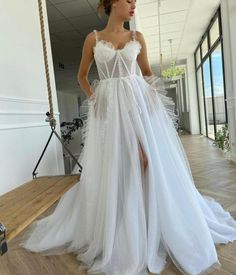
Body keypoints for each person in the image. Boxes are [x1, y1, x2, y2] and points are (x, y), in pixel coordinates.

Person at [20, 0, 236, 274]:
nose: (133, 5)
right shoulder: (93, 38)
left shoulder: (137, 37)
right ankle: (120, 223)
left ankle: (151, 222)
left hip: (138, 107)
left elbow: (146, 74)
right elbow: (82, 76)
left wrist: (154, 108)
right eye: (128, 0)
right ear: (111, 3)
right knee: (118, 165)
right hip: (111, 112)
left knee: (147, 163)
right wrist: (95, 99)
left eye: (135, 1)